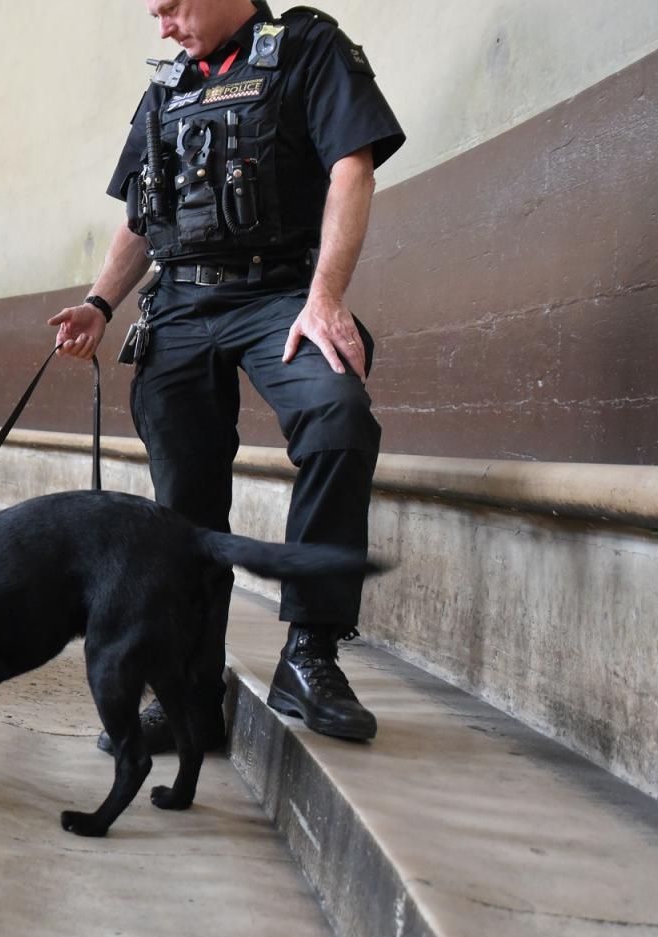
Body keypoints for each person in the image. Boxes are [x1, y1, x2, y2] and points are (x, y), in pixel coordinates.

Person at [48, 0, 404, 746]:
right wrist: (98, 303)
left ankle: (310, 652)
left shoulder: (307, 46)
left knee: (339, 417)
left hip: (281, 293)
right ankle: (188, 702)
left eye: (172, 6)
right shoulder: (168, 85)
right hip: (179, 303)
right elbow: (143, 216)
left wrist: (326, 298)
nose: (164, 25)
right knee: (184, 511)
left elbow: (352, 166)